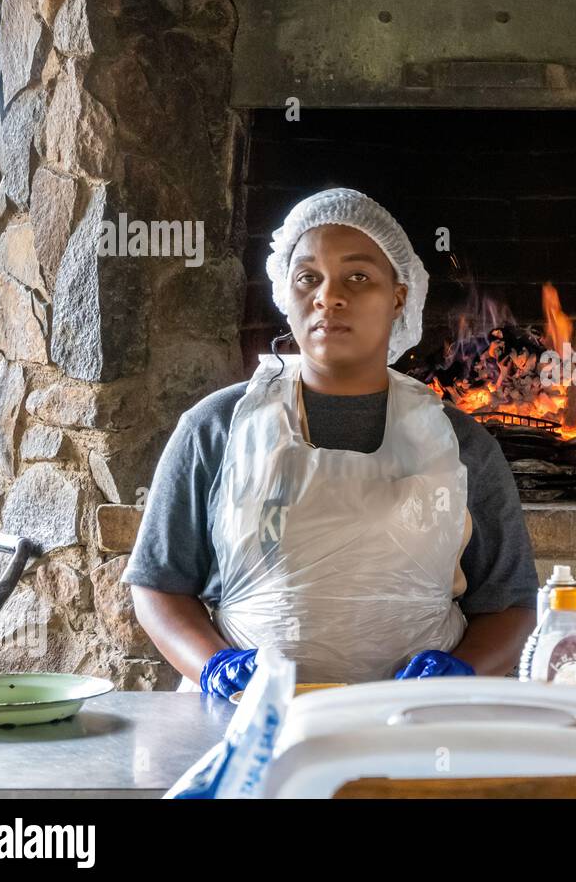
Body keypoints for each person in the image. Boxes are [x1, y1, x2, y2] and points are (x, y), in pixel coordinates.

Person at [123, 188, 539, 697]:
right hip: (244, 721)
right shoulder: (217, 427)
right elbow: (158, 586)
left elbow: (509, 604)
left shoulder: (458, 444)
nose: (328, 297)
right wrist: (215, 667)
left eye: (357, 277)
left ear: (399, 295)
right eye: (308, 278)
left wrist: (461, 673)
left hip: (414, 725)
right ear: (286, 291)